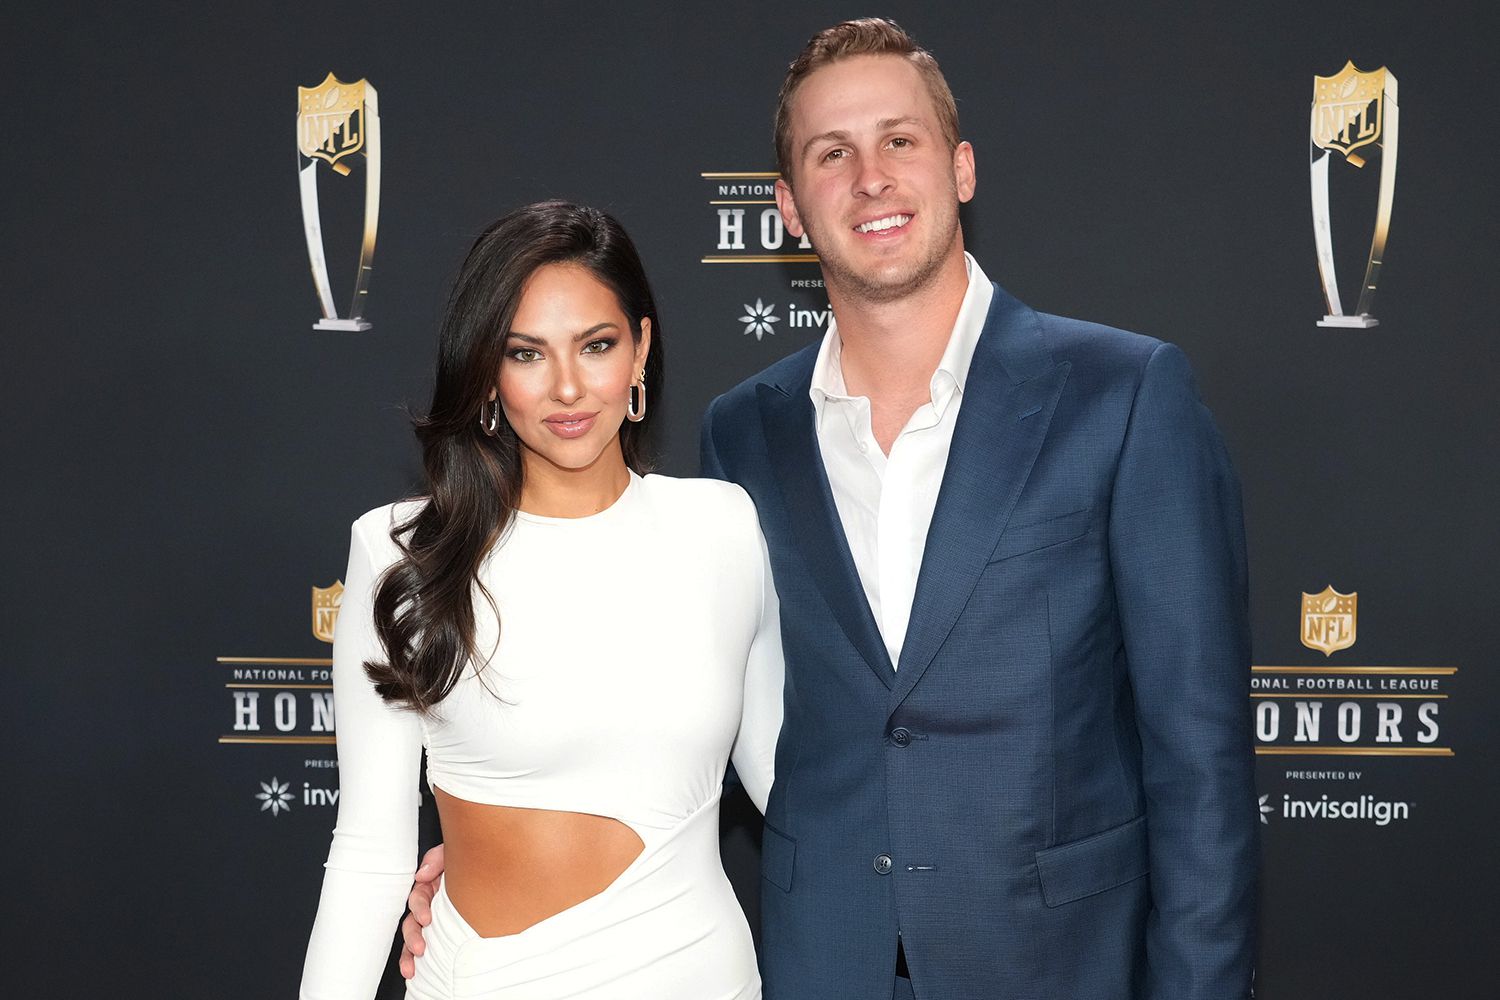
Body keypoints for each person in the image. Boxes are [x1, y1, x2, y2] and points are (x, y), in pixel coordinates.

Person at [404, 19, 1258, 1000]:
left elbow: (1201, 765)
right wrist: (496, 859)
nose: (872, 177)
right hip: (821, 963)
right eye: (832, 153)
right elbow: (701, 716)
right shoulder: (745, 435)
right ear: (789, 209)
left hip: (1055, 966)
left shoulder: (1124, 395)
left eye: (901, 140)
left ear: (962, 167)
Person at [299, 201, 783, 1000]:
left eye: (597, 345)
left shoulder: (724, 528)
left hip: (694, 976)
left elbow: (785, 782)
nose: (566, 387)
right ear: (488, 371)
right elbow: (370, 850)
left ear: (642, 350)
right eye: (526, 354)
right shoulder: (401, 552)